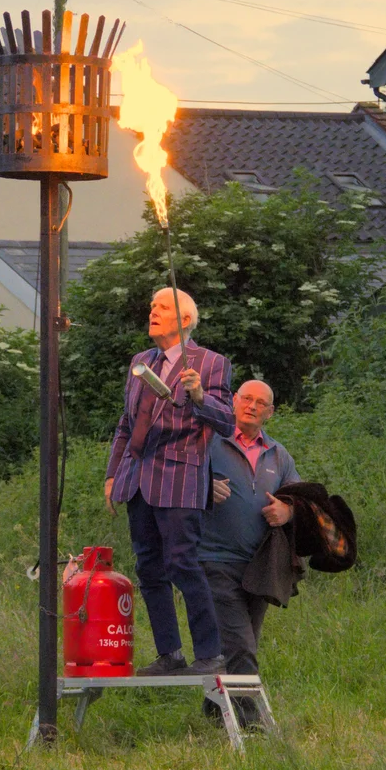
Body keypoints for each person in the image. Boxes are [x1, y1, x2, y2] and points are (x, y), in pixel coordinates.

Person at [105, 288, 236, 675]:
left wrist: (199, 395)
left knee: (182, 562)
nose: (153, 311)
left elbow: (226, 421)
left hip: (180, 478)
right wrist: (113, 473)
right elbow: (126, 424)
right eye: (152, 306)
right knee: (148, 568)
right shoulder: (140, 362)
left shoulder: (210, 364)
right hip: (137, 479)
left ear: (184, 319)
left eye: (162, 307)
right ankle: (170, 654)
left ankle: (211, 654)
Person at [198, 379, 300, 721]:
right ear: (234, 402)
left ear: (269, 413)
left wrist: (287, 511)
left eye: (260, 403)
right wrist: (203, 487)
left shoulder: (278, 454)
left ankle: (214, 715)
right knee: (241, 645)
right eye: (246, 399)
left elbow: (301, 501)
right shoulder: (209, 442)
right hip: (215, 558)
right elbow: (180, 481)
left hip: (260, 565)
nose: (252, 406)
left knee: (242, 643)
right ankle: (250, 724)